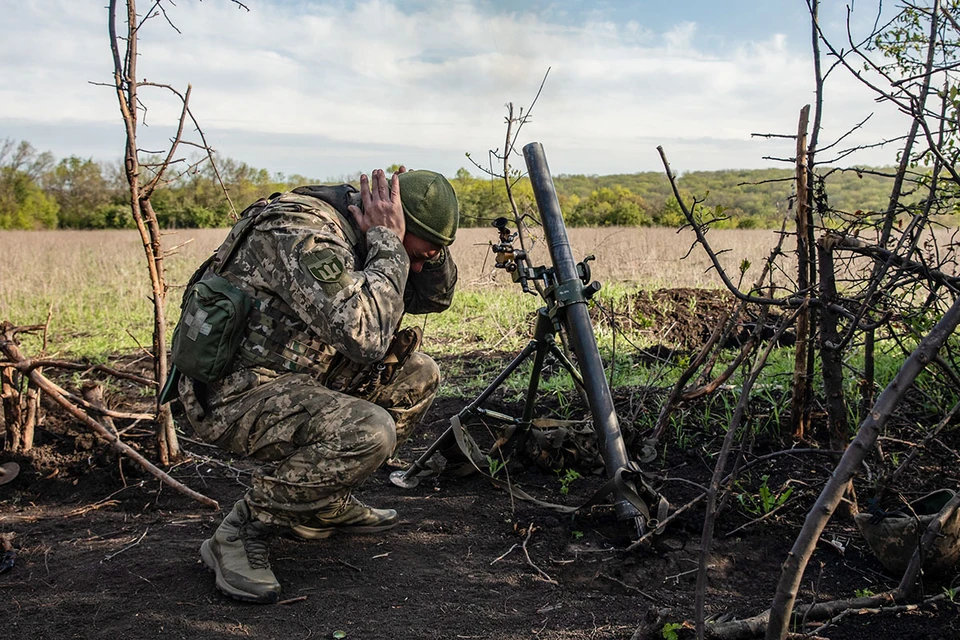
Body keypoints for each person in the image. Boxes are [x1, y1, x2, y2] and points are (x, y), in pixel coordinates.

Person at [176, 167, 459, 603]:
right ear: (383, 222)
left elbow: (434, 299)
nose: (415, 266)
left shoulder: (368, 232)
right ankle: (240, 531)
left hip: (297, 375)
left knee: (417, 374)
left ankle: (321, 501)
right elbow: (365, 336)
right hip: (236, 391)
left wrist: (424, 254)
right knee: (368, 430)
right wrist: (387, 242)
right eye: (414, 254)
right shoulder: (303, 232)